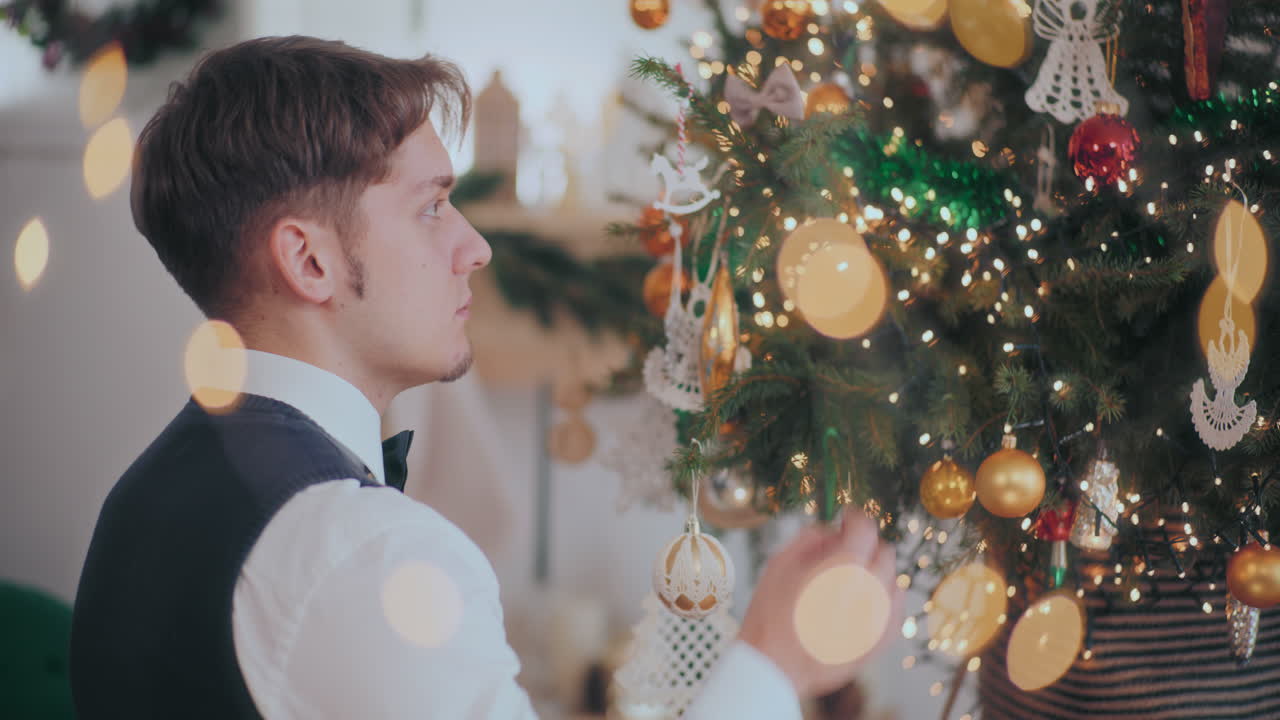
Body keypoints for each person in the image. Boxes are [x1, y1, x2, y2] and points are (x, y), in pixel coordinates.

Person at [68, 36, 901, 719]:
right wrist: (775, 665)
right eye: (431, 207)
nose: (476, 247)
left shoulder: (140, 494)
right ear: (309, 260)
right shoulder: (365, 553)